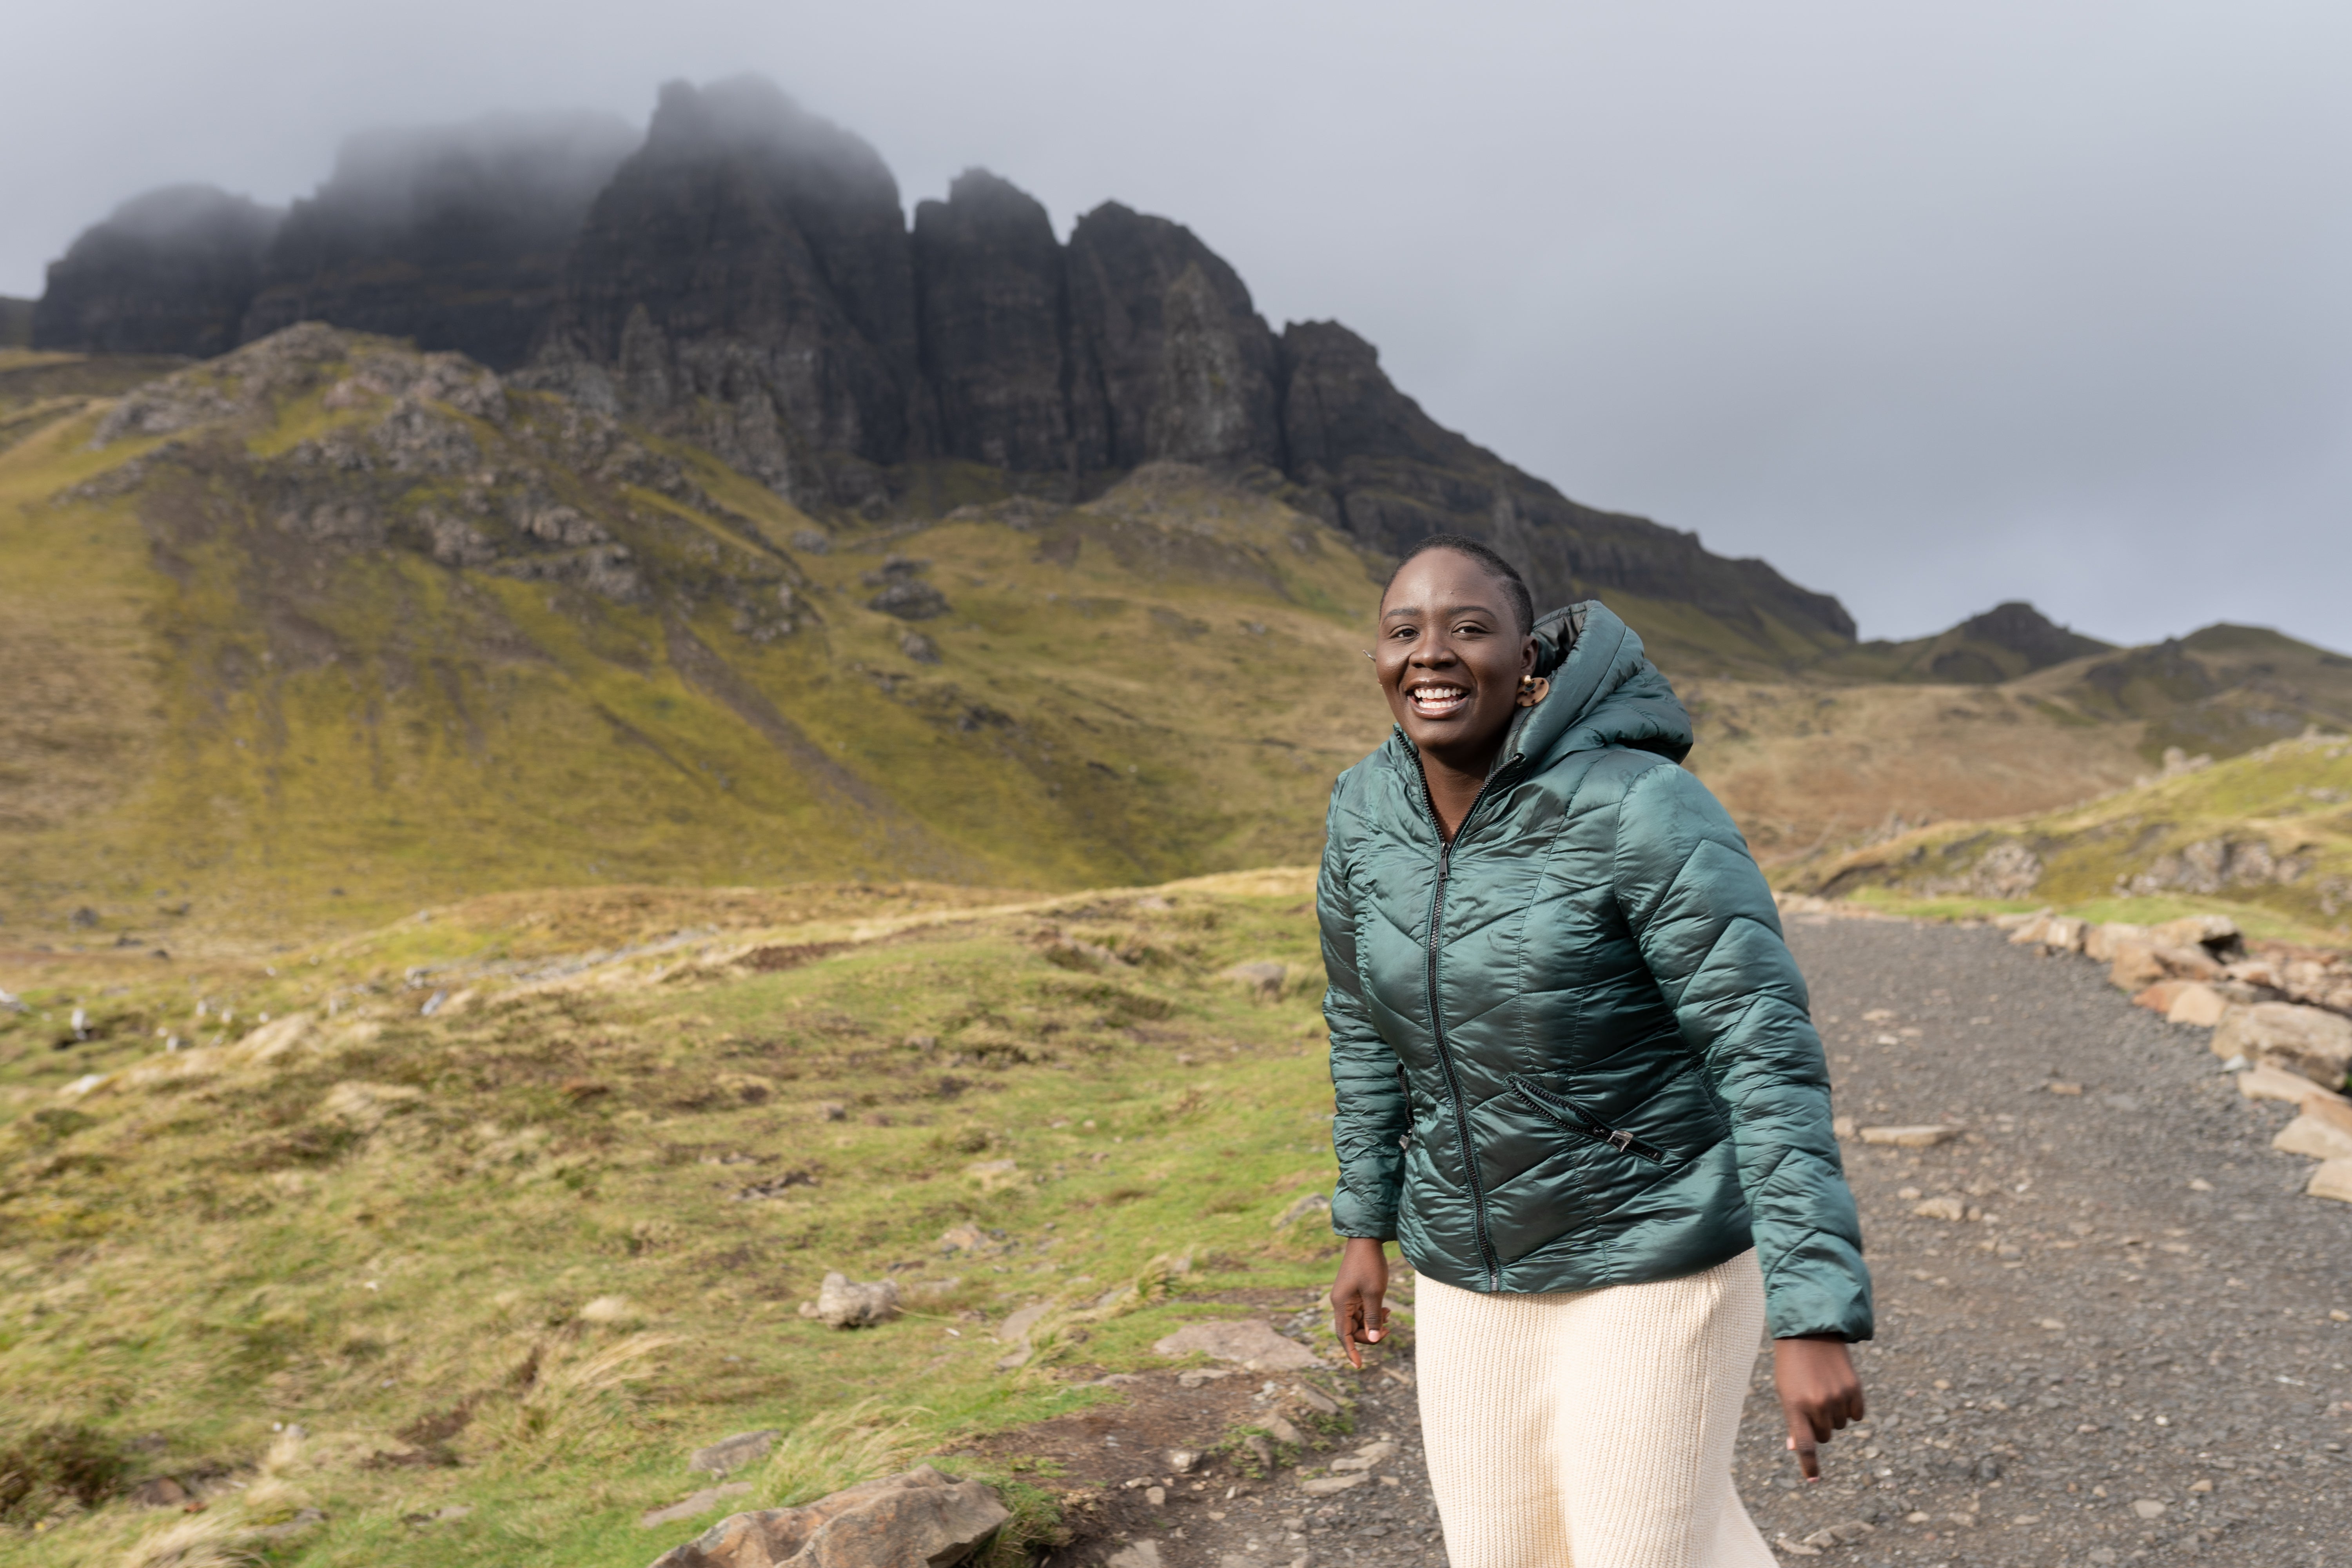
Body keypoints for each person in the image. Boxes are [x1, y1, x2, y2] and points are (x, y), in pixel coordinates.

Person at [1319, 535, 1871, 1568]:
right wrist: (1366, 1222)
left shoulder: (1637, 804)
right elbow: (1361, 1025)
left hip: (1656, 1249)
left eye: (1467, 628)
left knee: (1640, 1551)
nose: (1430, 654)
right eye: (1405, 632)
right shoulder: (1363, 814)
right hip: (1468, 1264)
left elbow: (1764, 1048)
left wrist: (1814, 1312)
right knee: (1507, 1556)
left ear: (1529, 660)